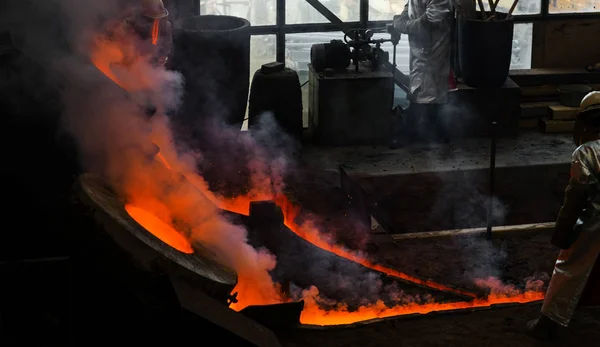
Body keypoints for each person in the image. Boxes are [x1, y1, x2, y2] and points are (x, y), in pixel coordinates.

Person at [527, 91, 600, 341]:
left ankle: (549, 323)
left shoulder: (586, 152)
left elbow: (578, 193)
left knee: (569, 265)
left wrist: (564, 229)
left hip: (596, 219)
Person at [392, 0, 454, 145]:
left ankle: (414, 132)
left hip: (433, 50)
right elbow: (409, 8)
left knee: (427, 90)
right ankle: (436, 132)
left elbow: (430, 21)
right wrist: (401, 19)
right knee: (424, 89)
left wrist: (403, 25)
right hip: (420, 49)